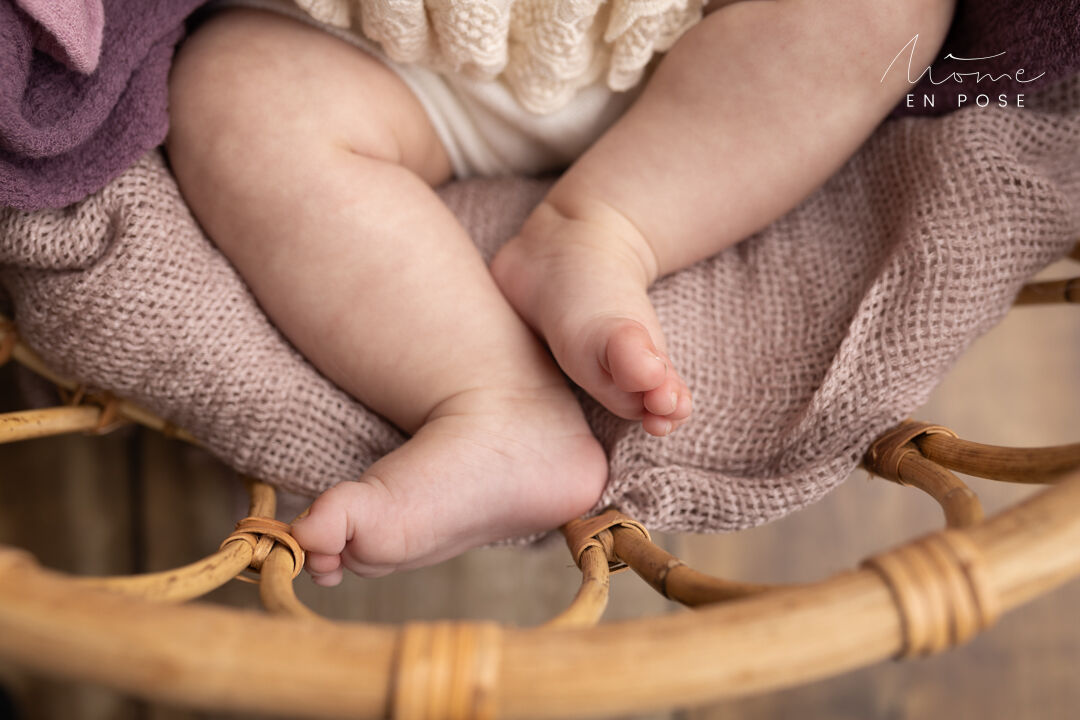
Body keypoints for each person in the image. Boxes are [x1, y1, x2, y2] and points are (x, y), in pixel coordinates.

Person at [166, 0, 956, 583]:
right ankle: (497, 402)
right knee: (229, 88)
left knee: (893, 9)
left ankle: (609, 225)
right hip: (389, 50)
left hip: (693, 44)